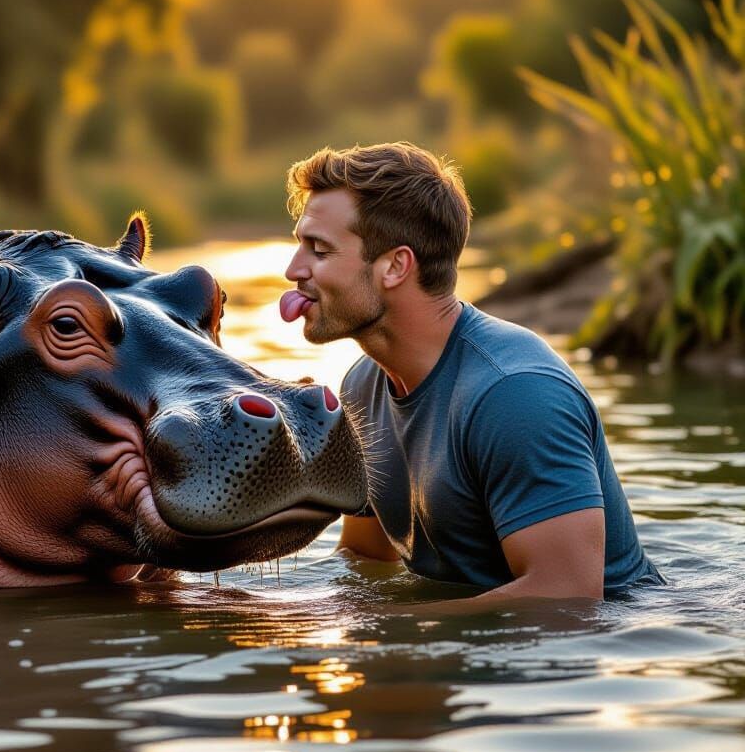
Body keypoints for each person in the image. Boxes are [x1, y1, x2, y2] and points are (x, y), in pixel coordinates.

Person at [280, 141, 662, 604]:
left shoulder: (515, 394)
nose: (293, 269)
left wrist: (399, 633)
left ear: (395, 266)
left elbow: (568, 597)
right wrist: (278, 613)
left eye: (318, 249)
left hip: (590, 647)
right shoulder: (362, 386)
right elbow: (365, 559)